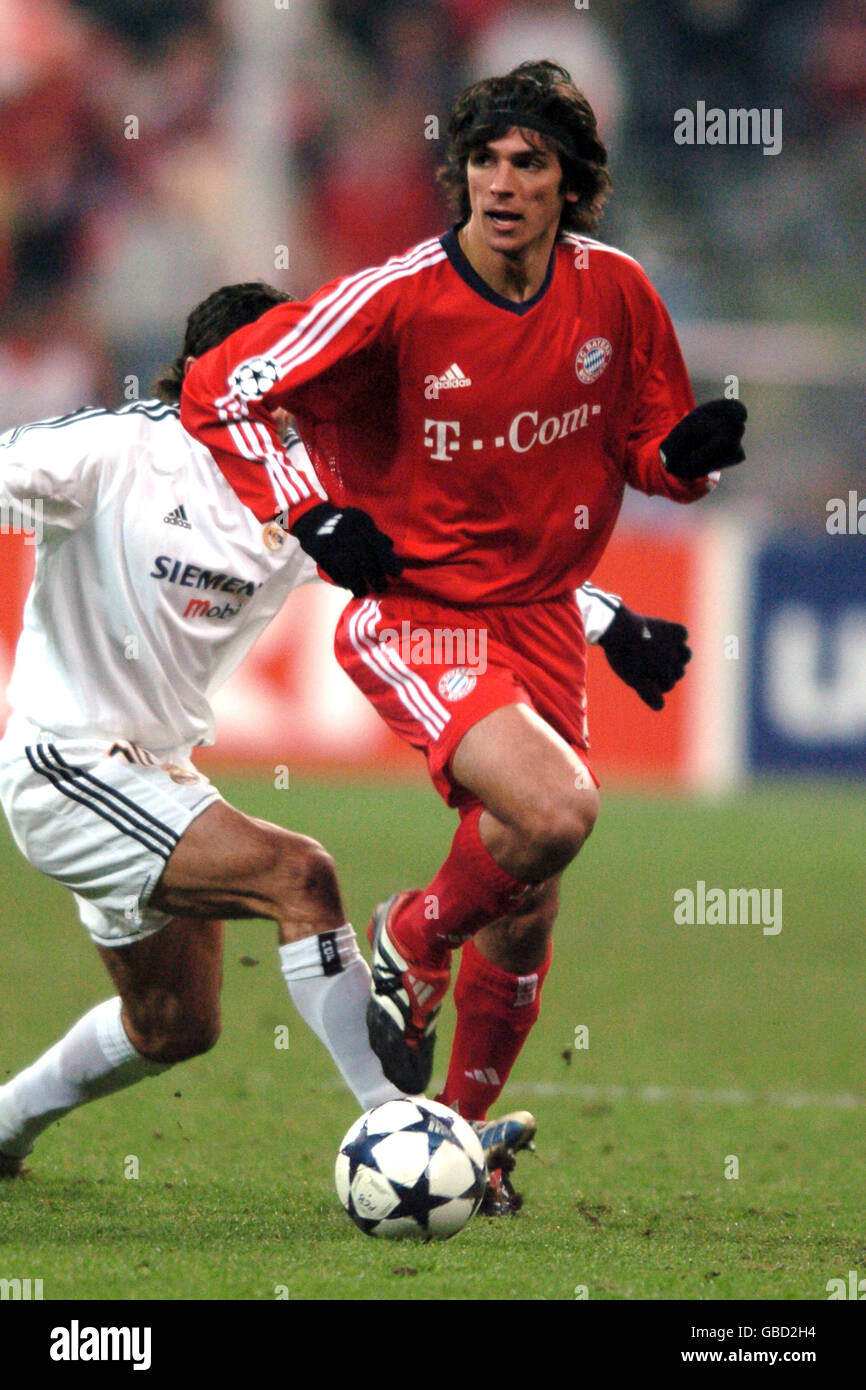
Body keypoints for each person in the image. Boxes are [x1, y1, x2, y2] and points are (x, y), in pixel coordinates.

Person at [181, 58, 747, 1203]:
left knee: (529, 898)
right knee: (557, 810)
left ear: (568, 185)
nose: (499, 182)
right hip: (419, 612)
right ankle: (407, 936)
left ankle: (457, 1141)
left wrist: (677, 464)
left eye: (526, 162)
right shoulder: (396, 296)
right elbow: (220, 384)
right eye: (483, 160)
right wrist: (313, 510)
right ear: (463, 176)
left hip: (537, 616)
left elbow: (643, 441)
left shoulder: (619, 293)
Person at [0, 280, 678, 1202]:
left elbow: (447, 572)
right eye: (286, 378)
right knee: (300, 876)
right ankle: (405, 1135)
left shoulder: (304, 494)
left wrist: (613, 622)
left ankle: (5, 1125)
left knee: (173, 1025)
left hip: (155, 776)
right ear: (223, 378)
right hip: (63, 763)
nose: (310, 397)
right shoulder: (114, 453)